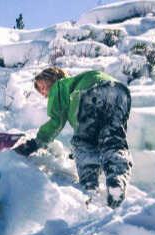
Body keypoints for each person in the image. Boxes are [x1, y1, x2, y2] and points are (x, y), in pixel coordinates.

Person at [14, 67, 133, 208]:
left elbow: (56, 121)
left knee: (84, 143)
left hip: (91, 92)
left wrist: (35, 143)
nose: (45, 94)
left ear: (54, 78)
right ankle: (117, 180)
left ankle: (90, 186)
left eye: (44, 88)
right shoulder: (76, 82)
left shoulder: (59, 85)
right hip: (120, 93)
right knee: (113, 140)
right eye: (42, 93)